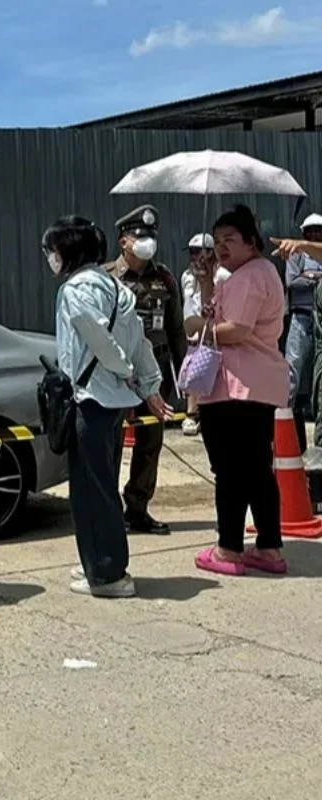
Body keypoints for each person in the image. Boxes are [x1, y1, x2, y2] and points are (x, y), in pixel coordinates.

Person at [47, 216, 169, 598]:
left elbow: (100, 340)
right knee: (103, 486)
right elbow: (140, 341)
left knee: (90, 490)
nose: (50, 257)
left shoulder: (75, 290)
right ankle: (98, 561)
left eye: (53, 249)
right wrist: (148, 385)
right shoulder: (114, 287)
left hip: (92, 400)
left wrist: (126, 371)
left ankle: (108, 574)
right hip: (114, 404)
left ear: (69, 251)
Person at [186, 205, 290, 576]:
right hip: (250, 384)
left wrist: (199, 331)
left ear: (251, 241)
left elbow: (237, 330)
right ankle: (268, 547)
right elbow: (219, 314)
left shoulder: (250, 276)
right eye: (217, 241)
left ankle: (228, 549)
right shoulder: (251, 274)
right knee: (256, 469)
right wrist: (206, 282)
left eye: (229, 239)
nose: (221, 247)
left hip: (236, 386)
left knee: (230, 470)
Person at [109, 204, 186, 535]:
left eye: (151, 236)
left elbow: (176, 330)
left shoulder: (165, 278)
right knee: (111, 442)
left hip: (157, 371)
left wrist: (185, 376)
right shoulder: (108, 278)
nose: (147, 242)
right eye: (140, 236)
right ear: (124, 241)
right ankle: (108, 510)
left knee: (150, 443)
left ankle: (137, 508)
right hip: (118, 373)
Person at [179, 234, 230, 436]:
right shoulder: (186, 275)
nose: (194, 257)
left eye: (198, 252)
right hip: (193, 332)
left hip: (213, 332)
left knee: (211, 375)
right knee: (193, 374)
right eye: (191, 253)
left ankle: (203, 414)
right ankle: (191, 414)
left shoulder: (222, 275)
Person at [283, 214, 322, 440]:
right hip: (301, 316)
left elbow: (303, 279)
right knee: (292, 368)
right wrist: (317, 278)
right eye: (310, 231)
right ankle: (283, 416)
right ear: (303, 234)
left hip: (320, 318)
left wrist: (310, 276)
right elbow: (292, 282)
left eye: (318, 230)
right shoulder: (296, 253)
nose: (315, 234)